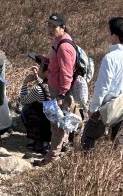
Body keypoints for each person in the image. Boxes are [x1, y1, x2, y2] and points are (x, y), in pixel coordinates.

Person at [82, 17, 123, 152]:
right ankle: (115, 170)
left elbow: (102, 87)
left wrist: (93, 109)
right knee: (119, 147)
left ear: (114, 36)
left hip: (106, 108)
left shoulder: (110, 58)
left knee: (88, 138)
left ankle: (87, 167)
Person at [37, 13, 88, 165]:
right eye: (49, 26)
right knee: (61, 122)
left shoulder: (64, 47)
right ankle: (61, 149)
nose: (51, 29)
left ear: (63, 27)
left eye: (54, 26)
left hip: (59, 90)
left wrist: (61, 94)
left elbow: (66, 73)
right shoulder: (58, 42)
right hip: (56, 87)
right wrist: (45, 60)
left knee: (57, 124)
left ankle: (52, 158)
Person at [18, 53, 51, 154]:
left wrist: (25, 83)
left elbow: (23, 100)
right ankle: (48, 142)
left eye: (40, 67)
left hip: (43, 125)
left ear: (46, 73)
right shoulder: (56, 84)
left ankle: (39, 141)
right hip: (53, 126)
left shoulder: (37, 90)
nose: (38, 67)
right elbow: (45, 88)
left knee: (26, 108)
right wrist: (37, 76)